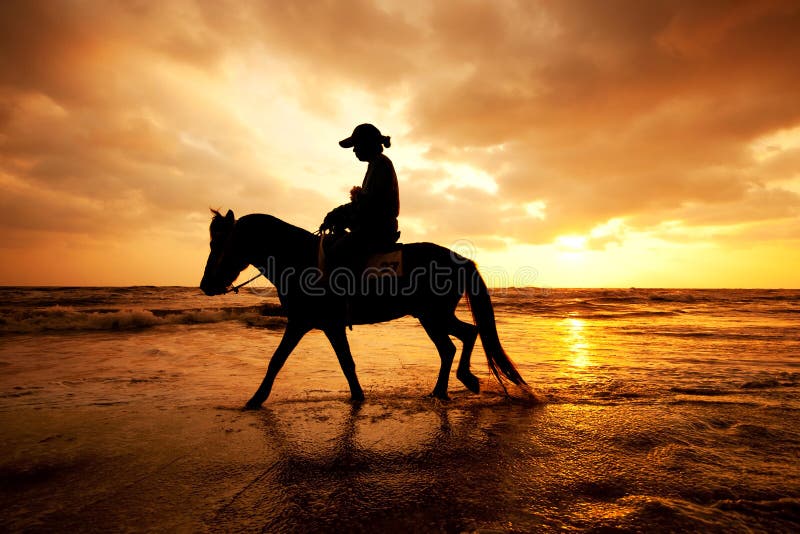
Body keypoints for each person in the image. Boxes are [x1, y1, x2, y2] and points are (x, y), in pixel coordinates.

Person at [320, 123, 400, 275]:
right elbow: (365, 204)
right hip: (377, 226)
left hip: (376, 229)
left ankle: (349, 296)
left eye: (356, 145)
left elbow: (368, 205)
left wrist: (337, 215)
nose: (354, 149)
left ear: (367, 143)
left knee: (335, 254)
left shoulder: (380, 165)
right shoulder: (377, 164)